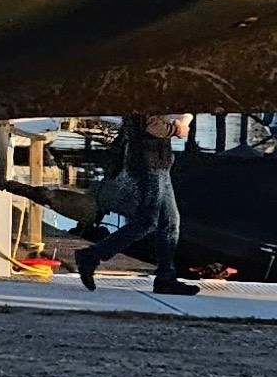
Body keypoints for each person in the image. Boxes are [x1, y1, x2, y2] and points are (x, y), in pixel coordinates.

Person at [78, 113, 200, 294]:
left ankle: (165, 278)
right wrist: (176, 129)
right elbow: (150, 125)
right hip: (148, 163)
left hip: (158, 162)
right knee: (148, 221)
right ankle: (92, 255)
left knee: (170, 222)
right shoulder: (145, 100)